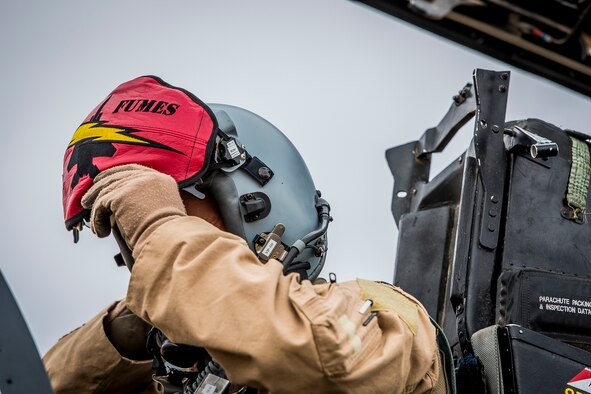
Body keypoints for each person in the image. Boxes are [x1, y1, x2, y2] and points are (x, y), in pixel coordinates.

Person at [44, 76, 453, 393]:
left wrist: (159, 227)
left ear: (255, 200)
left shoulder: (381, 314)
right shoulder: (178, 370)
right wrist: (122, 339)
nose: (145, 249)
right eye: (133, 231)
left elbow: (329, 358)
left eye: (172, 206)